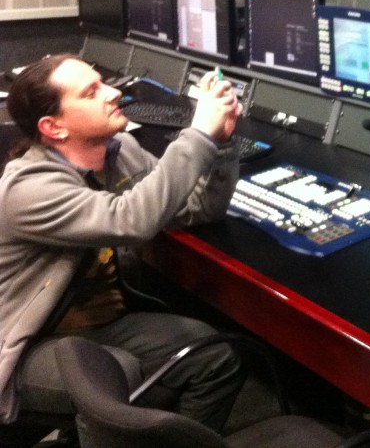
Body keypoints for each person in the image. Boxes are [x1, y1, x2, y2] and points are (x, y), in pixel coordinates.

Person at [0, 54, 244, 430]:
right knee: (118, 373)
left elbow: (195, 210)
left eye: (104, 82)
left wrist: (221, 145)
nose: (113, 92)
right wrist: (197, 135)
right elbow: (132, 219)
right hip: (26, 344)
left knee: (213, 355)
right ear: (54, 127)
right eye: (91, 92)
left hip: (98, 327)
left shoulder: (120, 152)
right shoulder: (27, 190)